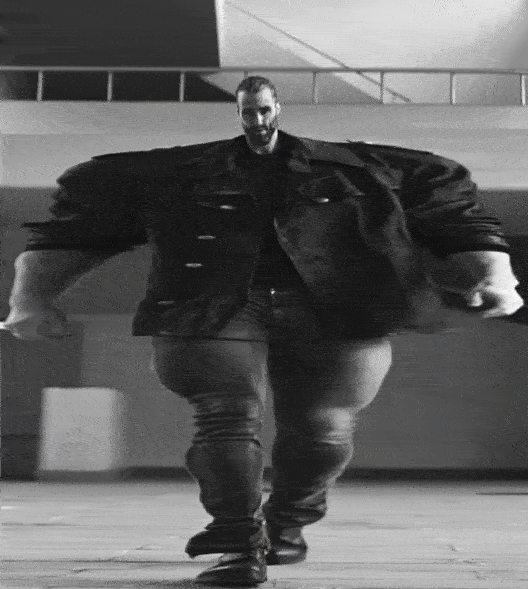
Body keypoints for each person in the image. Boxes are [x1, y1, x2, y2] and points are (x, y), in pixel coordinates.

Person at [3, 76, 524, 587]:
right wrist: (31, 297)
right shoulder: (165, 172)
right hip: (209, 301)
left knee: (323, 428)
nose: (256, 120)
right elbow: (76, 232)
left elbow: (457, 220)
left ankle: (289, 520)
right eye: (247, 110)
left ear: (278, 109)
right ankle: (237, 539)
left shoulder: (378, 168)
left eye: (264, 109)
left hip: (340, 305)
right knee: (223, 417)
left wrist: (494, 276)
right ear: (237, 112)